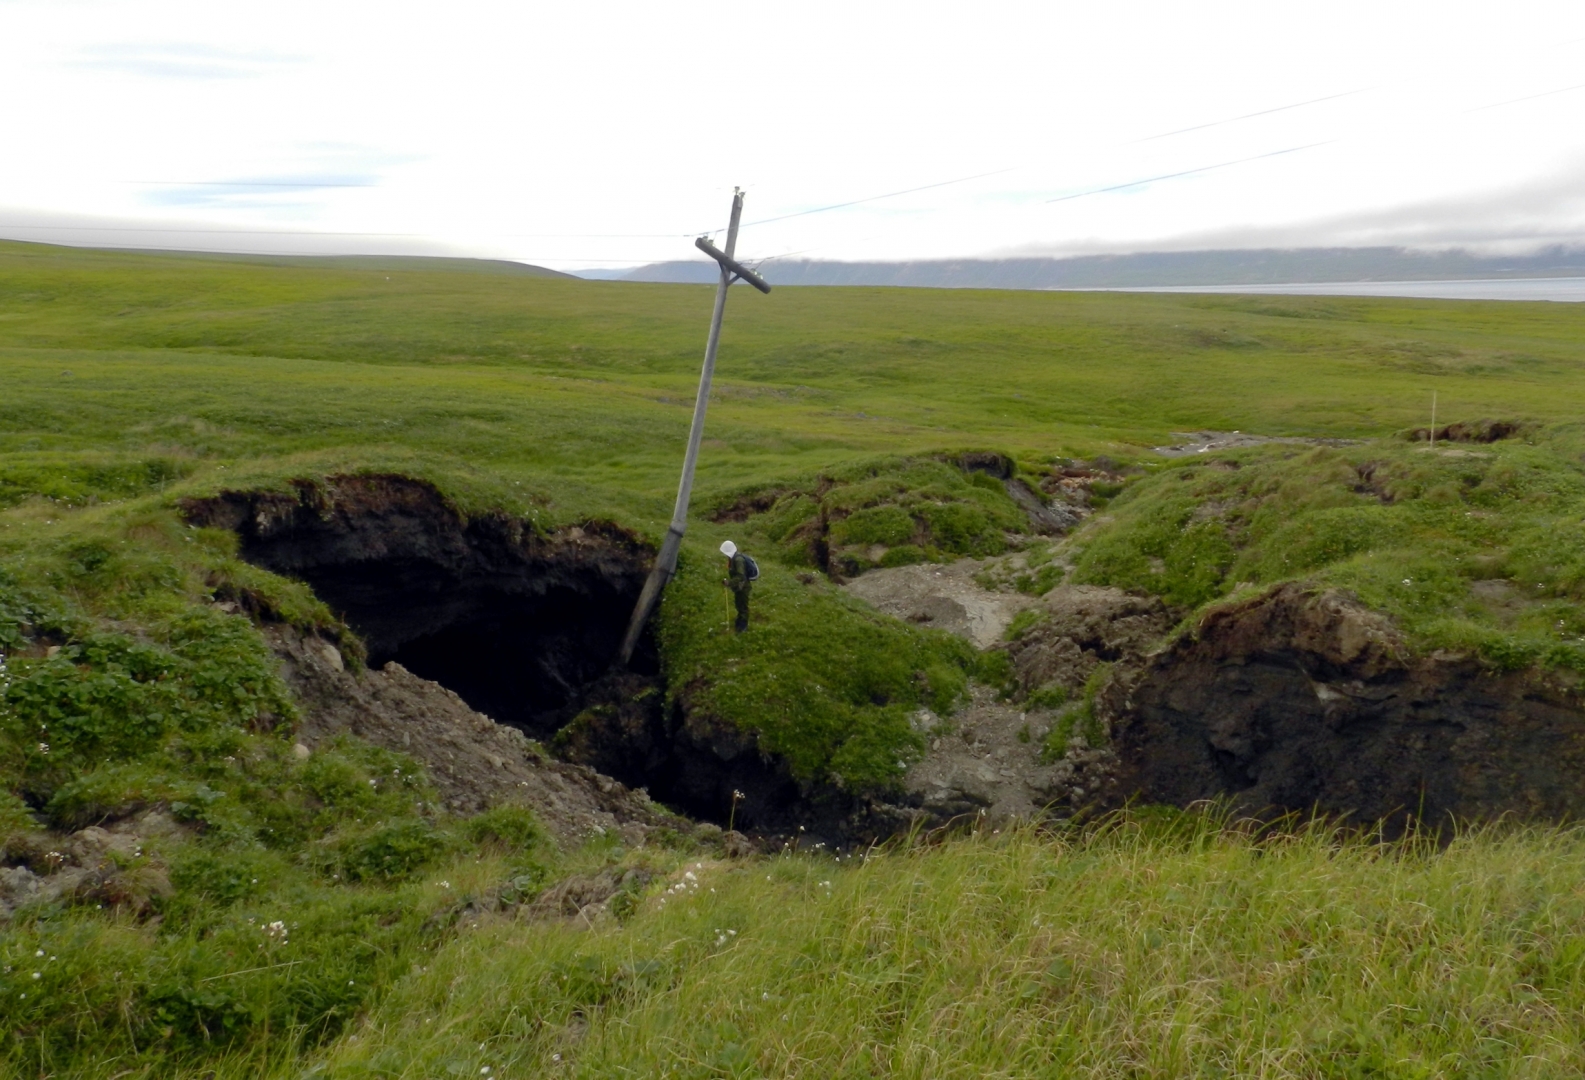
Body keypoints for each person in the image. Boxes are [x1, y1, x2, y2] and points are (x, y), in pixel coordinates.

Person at [721, 539, 752, 633]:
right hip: (739, 587)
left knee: (743, 606)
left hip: (743, 587)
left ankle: (743, 627)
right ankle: (739, 623)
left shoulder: (738, 560)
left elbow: (741, 576)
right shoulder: (733, 558)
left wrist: (729, 583)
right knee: (739, 605)